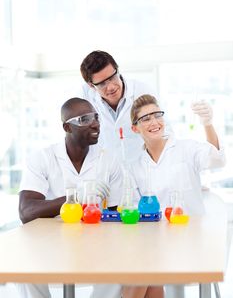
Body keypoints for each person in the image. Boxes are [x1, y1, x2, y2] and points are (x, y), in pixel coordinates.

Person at [122, 95, 225, 298]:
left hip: (190, 239)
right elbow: (134, 210)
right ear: (135, 128)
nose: (154, 122)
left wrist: (208, 124)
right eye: (146, 119)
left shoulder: (186, 148)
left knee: (142, 274)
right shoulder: (134, 166)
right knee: (143, 273)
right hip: (154, 242)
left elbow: (216, 160)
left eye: (157, 115)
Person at [18, 97, 122, 298]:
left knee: (121, 267)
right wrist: (74, 198)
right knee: (25, 268)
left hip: (96, 242)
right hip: (49, 242)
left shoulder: (108, 160)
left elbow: (116, 213)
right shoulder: (43, 158)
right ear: (67, 127)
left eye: (96, 117)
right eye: (84, 119)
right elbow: (26, 212)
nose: (95, 123)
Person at [80, 50, 160, 163]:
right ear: (91, 86)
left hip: (143, 167)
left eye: (112, 77)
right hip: (108, 172)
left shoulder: (142, 92)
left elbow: (164, 131)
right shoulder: (87, 101)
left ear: (117, 70)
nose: (111, 87)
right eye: (102, 84)